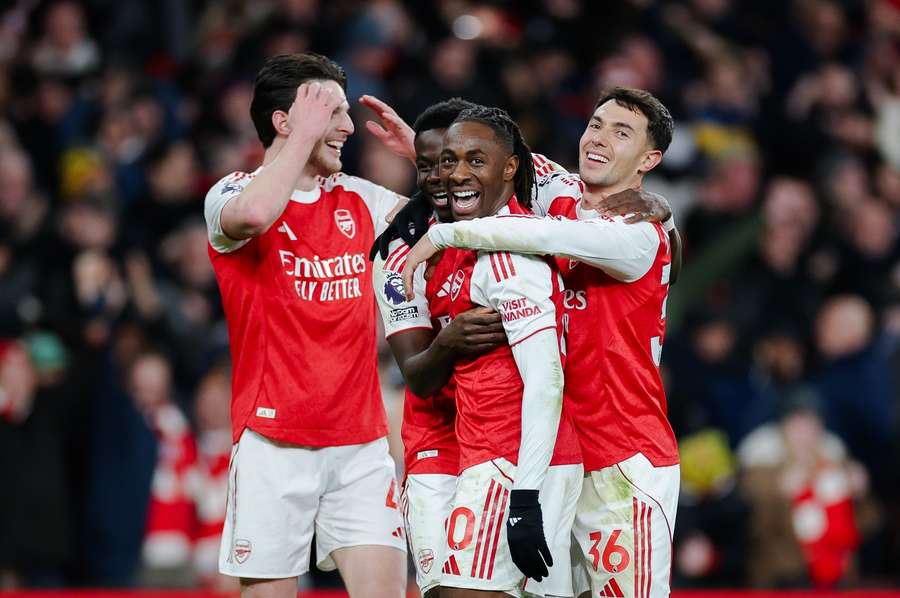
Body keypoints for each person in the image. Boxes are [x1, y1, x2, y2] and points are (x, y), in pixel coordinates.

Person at [402, 87, 680, 598]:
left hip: (624, 457)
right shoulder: (556, 191)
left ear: (649, 159)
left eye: (622, 133)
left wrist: (443, 236)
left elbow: (546, 237)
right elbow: (480, 156)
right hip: (555, 450)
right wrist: (422, 172)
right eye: (596, 124)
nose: (599, 139)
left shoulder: (641, 234)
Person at [203, 53, 406, 598]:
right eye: (328, 112)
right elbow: (251, 216)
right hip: (274, 441)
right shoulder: (230, 194)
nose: (344, 127)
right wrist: (300, 141)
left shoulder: (360, 198)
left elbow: (452, 230)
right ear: (283, 121)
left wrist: (430, 161)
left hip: (360, 444)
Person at [428, 105, 583, 598]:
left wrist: (524, 496)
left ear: (510, 168)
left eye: (477, 160)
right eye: (449, 160)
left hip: (510, 462)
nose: (457, 173)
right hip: (505, 456)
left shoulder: (507, 260)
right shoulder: (495, 236)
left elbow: (545, 379)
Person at [371, 97, 509, 598]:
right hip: (437, 442)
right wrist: (448, 342)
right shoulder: (397, 254)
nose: (439, 176)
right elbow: (418, 374)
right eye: (426, 166)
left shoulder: (518, 228)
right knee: (446, 589)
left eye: (449, 162)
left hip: (506, 437)